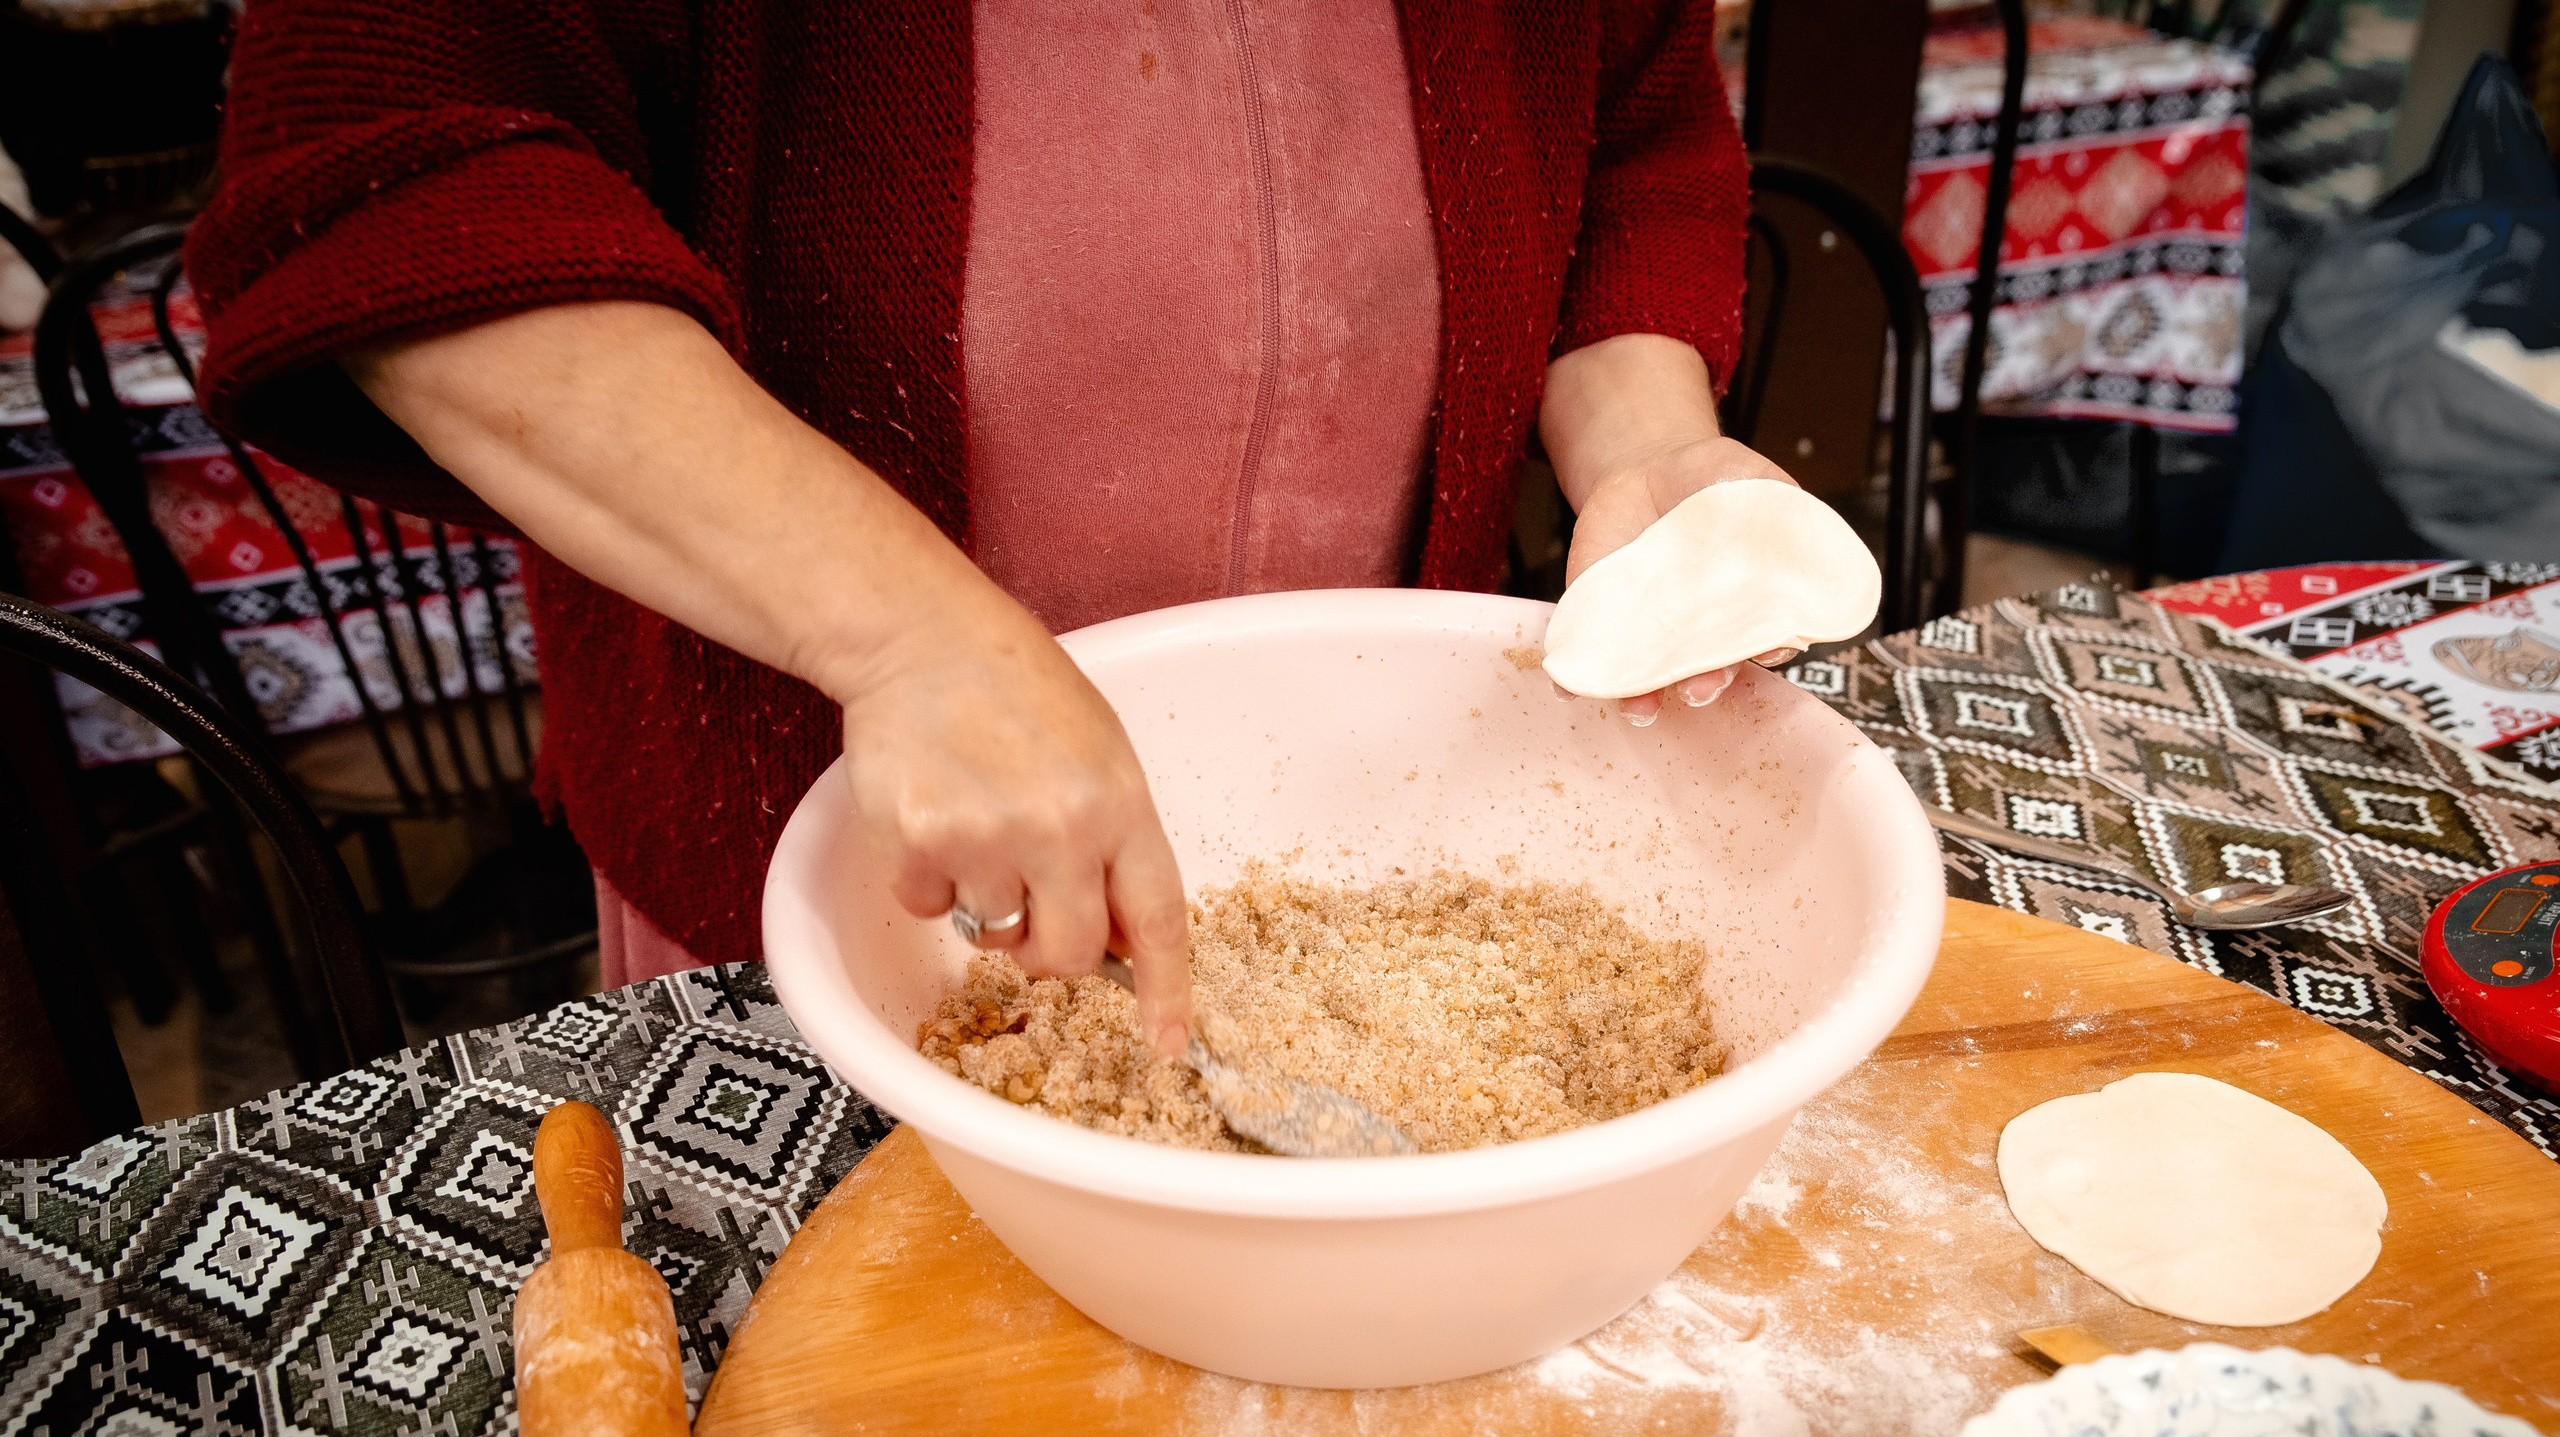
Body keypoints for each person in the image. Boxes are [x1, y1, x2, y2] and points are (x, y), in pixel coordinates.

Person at [185, 0, 1786, 1058]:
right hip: (824, 853)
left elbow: (1633, 116)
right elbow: (382, 166)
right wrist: (901, 632)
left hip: (1376, 820)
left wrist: (1648, 442)